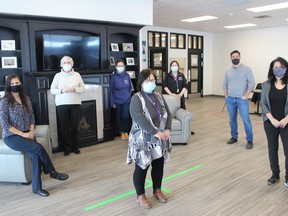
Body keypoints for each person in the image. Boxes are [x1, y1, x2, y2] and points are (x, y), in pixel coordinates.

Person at [0, 74, 69, 197]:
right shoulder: (4, 102)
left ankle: (36, 188)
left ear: (21, 84)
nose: (15, 86)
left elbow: (32, 117)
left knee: (36, 157)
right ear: (8, 86)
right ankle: (52, 172)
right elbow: (5, 124)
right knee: (37, 148)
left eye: (17, 83)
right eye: (12, 84)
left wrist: (31, 131)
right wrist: (23, 134)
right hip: (12, 136)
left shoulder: (26, 98)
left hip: (28, 133)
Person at [127, 68, 172, 209]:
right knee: (142, 166)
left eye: (153, 80)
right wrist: (154, 131)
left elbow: (168, 114)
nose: (151, 83)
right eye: (148, 80)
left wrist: (168, 129)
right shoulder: (136, 98)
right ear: (141, 82)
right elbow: (138, 117)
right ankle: (140, 195)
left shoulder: (158, 96)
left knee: (159, 165)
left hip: (160, 138)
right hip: (143, 139)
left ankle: (157, 189)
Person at [261, 57, 288, 186]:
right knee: (272, 149)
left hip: (286, 122)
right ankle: (275, 174)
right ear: (272, 69)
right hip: (270, 122)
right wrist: (272, 119)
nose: (278, 69)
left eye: (281, 67)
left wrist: (285, 119)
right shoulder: (266, 85)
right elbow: (263, 104)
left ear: (286, 68)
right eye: (276, 67)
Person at [50, 56, 85, 156]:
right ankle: (67, 148)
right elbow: (52, 90)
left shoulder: (77, 75)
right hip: (62, 104)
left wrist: (74, 89)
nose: (66, 64)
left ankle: (75, 146)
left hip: (75, 103)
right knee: (64, 127)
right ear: (61, 65)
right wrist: (61, 90)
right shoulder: (57, 76)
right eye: (64, 62)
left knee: (75, 126)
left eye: (68, 62)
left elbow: (83, 88)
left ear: (72, 64)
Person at [223, 50, 255, 149]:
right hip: (230, 99)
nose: (235, 58)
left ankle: (249, 140)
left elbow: (252, 83)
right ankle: (234, 137)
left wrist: (246, 95)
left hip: (242, 100)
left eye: (237, 56)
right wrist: (226, 95)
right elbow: (224, 84)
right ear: (231, 58)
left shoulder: (246, 69)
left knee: (246, 120)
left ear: (240, 57)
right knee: (232, 119)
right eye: (233, 56)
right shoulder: (228, 71)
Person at [110, 59, 132, 140]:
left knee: (125, 116)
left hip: (126, 100)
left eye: (121, 66)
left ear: (124, 67)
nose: (120, 67)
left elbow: (130, 88)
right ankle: (121, 132)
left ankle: (126, 131)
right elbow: (111, 90)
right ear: (116, 67)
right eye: (118, 66)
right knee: (119, 117)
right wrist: (112, 102)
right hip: (117, 101)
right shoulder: (113, 77)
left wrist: (128, 96)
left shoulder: (127, 76)